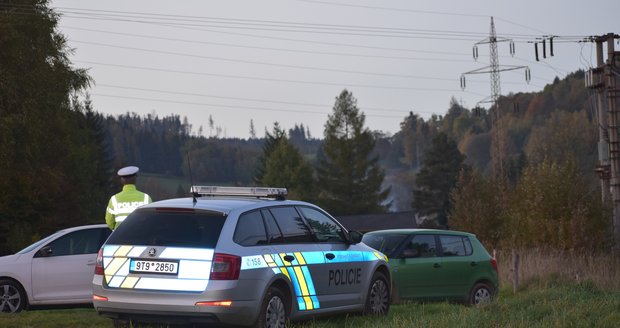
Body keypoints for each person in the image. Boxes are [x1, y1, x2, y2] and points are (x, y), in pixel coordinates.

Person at [105, 166, 152, 230]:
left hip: (120, 238)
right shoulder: (146, 198)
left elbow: (109, 222)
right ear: (135, 179)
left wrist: (117, 231)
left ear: (122, 181)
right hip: (140, 237)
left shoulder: (114, 199)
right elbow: (150, 220)